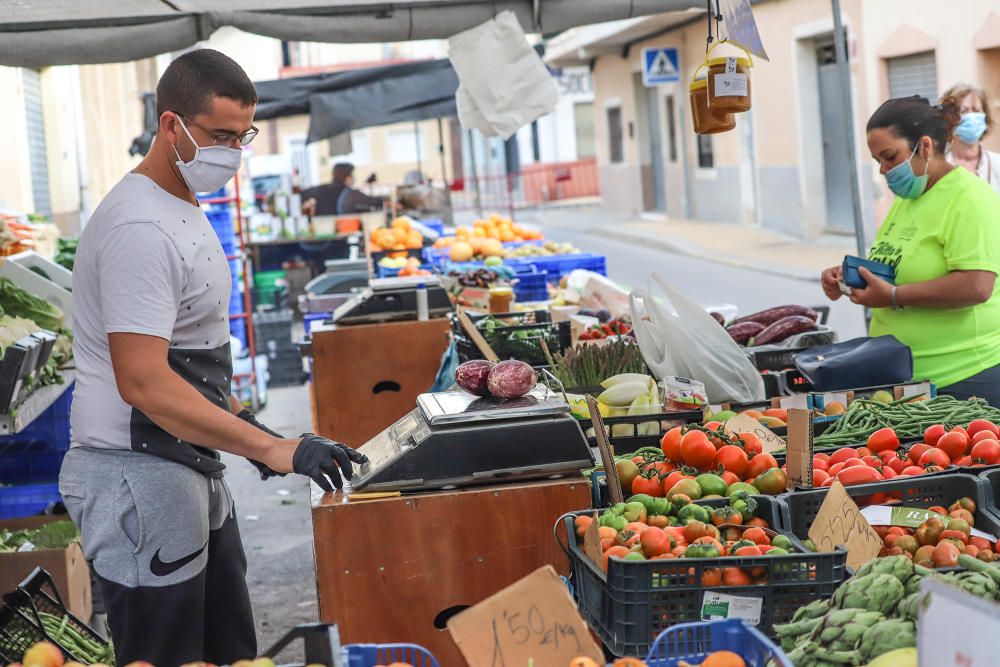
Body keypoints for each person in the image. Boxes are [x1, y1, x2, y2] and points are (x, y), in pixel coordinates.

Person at [59, 49, 366, 667]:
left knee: (230, 649)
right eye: (220, 136)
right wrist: (272, 449)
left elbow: (189, 359)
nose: (234, 151)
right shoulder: (139, 227)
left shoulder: (180, 207)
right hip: (139, 477)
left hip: (187, 466)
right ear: (171, 124)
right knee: (168, 654)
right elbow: (144, 381)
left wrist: (256, 433)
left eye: (242, 135)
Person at [821, 95, 1000, 406]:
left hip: (962, 380)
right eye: (878, 161)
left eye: (890, 157)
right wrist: (851, 278)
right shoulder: (907, 200)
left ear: (925, 146)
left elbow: (977, 285)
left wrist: (891, 296)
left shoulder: (970, 198)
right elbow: (898, 268)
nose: (884, 170)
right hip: (904, 381)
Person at [941, 83, 1000, 192]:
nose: (972, 117)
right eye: (964, 111)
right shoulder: (938, 166)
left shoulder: (997, 164)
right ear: (949, 118)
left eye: (976, 110)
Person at [301, 162, 385, 216]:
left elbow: (300, 195)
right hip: (340, 237)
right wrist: (386, 202)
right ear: (348, 178)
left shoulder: (321, 189)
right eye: (352, 175)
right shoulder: (349, 193)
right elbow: (371, 201)